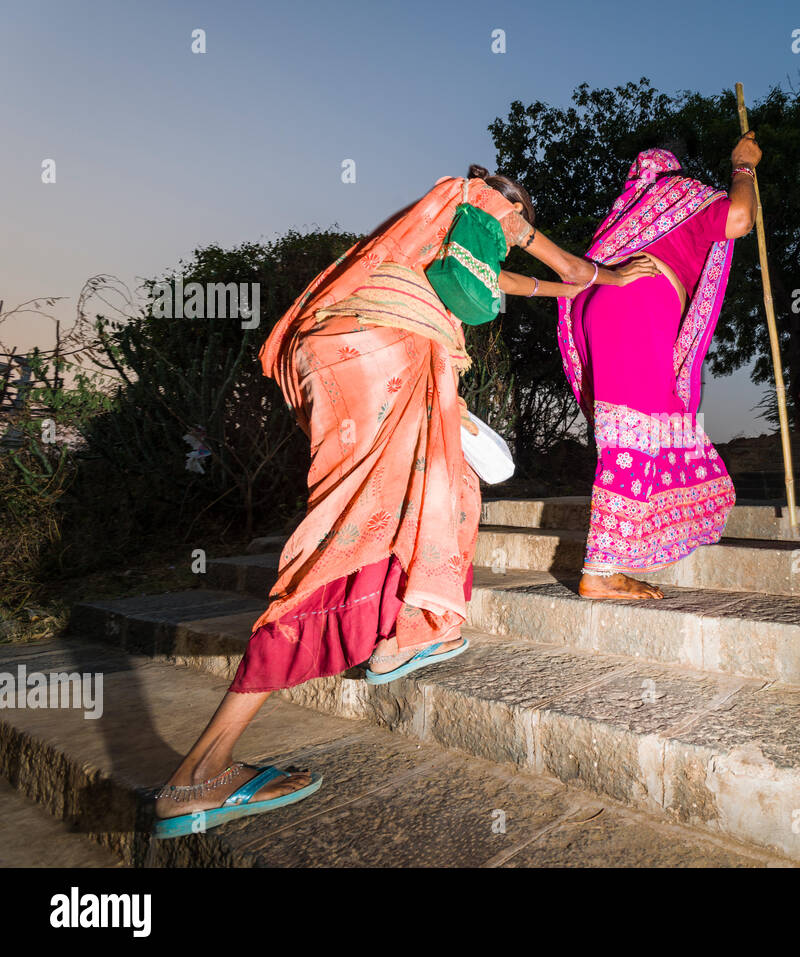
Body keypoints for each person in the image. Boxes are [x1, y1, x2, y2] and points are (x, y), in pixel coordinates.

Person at [151, 167, 659, 836]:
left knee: (410, 507)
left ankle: (399, 634)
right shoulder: (470, 195)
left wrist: (552, 291)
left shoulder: (410, 243)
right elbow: (535, 243)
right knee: (347, 547)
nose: (504, 241)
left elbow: (498, 278)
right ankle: (200, 774)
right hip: (380, 349)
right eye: (511, 220)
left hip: (335, 358)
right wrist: (607, 276)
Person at [559, 134, 760, 600]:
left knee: (660, 428)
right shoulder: (679, 193)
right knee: (636, 435)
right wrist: (743, 166)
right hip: (638, 308)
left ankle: (616, 555)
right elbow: (740, 217)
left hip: (604, 310)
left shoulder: (625, 213)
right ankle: (599, 568)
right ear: (675, 168)